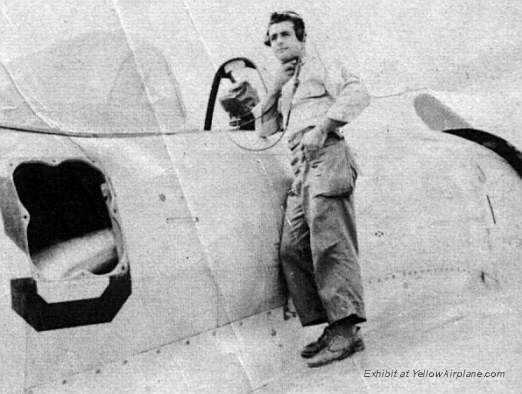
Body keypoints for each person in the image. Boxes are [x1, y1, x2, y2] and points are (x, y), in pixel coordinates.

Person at [254, 11, 370, 368]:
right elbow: (264, 129)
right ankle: (332, 325)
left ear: (301, 38)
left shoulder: (322, 63)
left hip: (326, 153)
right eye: (272, 38)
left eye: (285, 35)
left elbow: (358, 93)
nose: (279, 42)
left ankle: (346, 331)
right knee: (292, 248)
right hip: (300, 166)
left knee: (330, 243)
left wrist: (322, 127)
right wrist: (274, 87)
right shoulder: (287, 83)